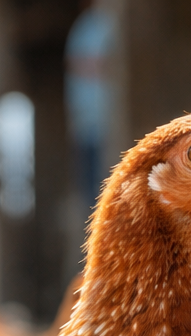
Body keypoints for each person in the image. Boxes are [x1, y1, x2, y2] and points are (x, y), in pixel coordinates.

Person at [66, 1, 116, 211]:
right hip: (89, 117)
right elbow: (77, 64)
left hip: (109, 119)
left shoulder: (112, 24)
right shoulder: (87, 27)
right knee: (92, 185)